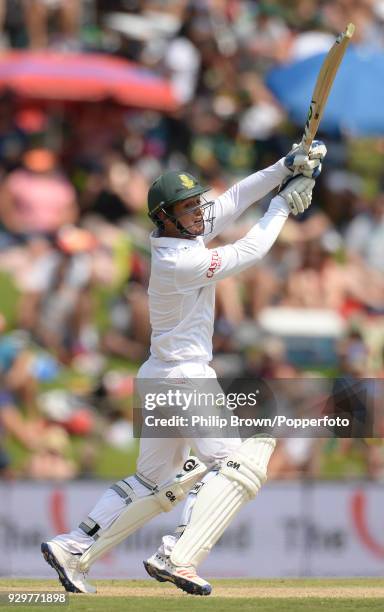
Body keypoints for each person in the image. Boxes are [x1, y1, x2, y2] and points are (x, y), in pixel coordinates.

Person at [41, 141, 326, 596]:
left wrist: (283, 167)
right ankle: (178, 556)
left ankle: (74, 547)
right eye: (188, 208)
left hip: (159, 375)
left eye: (197, 204)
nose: (199, 213)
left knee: (154, 482)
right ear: (165, 217)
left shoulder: (182, 234)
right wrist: (281, 206)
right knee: (240, 463)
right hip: (184, 375)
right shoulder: (182, 259)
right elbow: (248, 252)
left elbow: (232, 199)